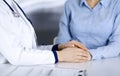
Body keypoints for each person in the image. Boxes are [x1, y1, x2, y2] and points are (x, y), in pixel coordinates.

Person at [0, 0, 91, 65]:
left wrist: (58, 48)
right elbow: (17, 56)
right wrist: (59, 56)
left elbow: (30, 49)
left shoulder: (11, 3)